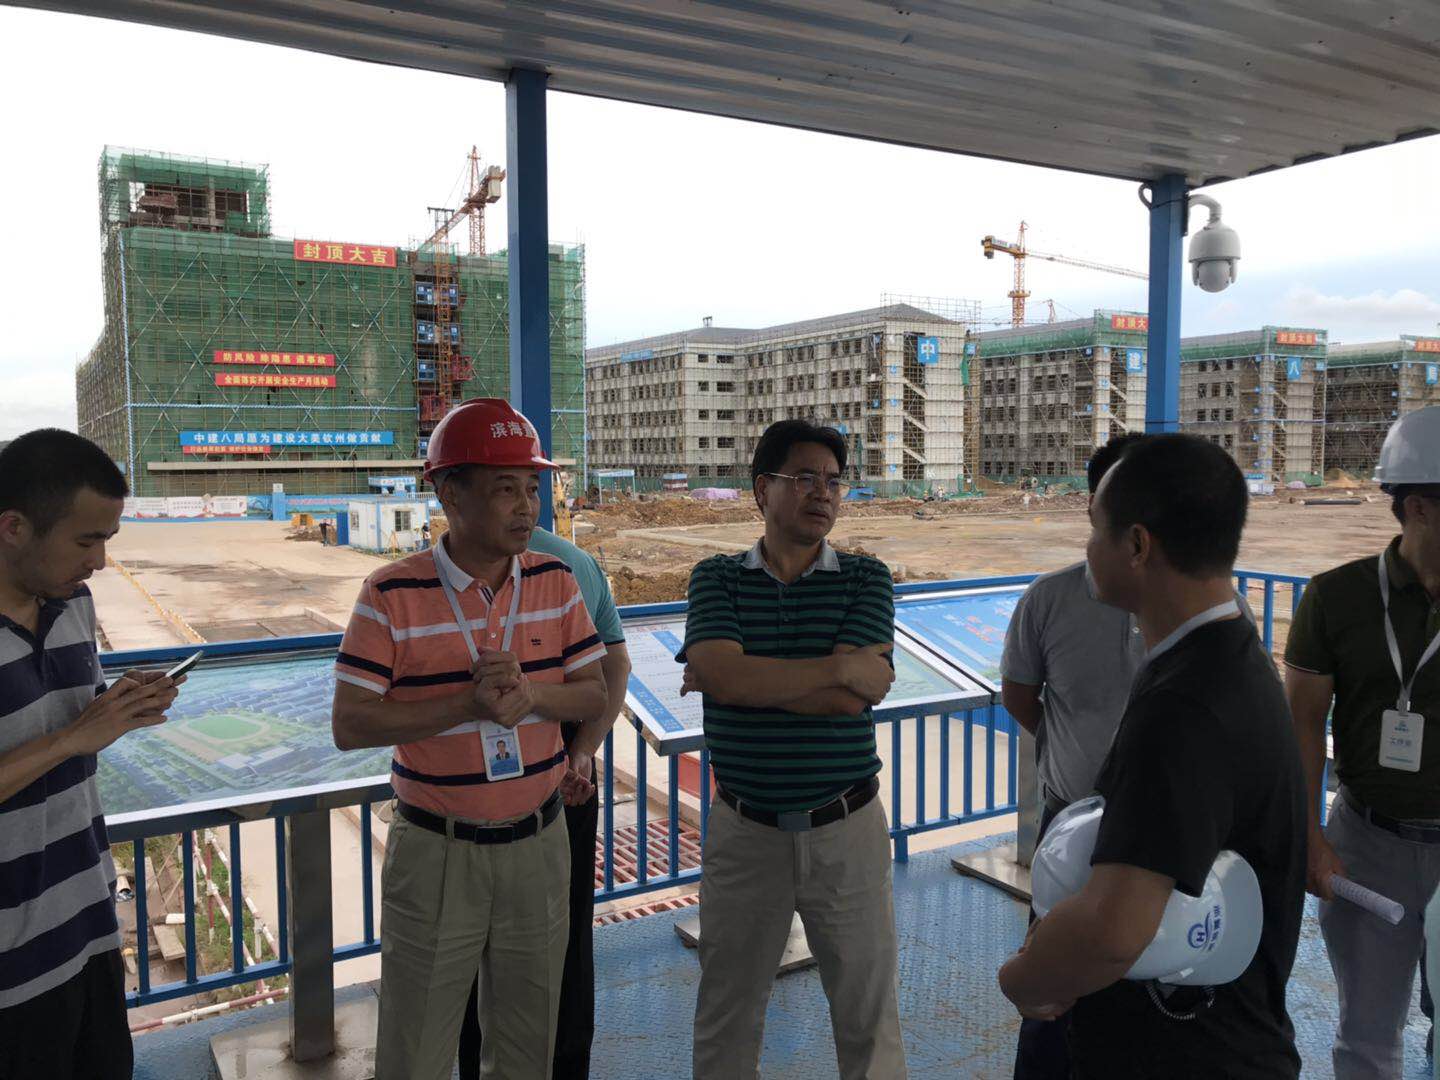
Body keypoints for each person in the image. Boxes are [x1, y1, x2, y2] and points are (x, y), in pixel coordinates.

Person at [998, 433, 1306, 1080]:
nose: (1088, 549)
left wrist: (1022, 976)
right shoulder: (1231, 655)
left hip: (1185, 1053)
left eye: (1096, 530)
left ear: (1137, 546)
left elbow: (1113, 932)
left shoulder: (1183, 705)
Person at [332, 399, 608, 1080]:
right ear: (450, 494)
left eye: (533, 488)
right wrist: (465, 703)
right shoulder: (390, 593)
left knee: (526, 1049)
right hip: (438, 853)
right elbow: (351, 723)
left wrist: (532, 697)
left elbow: (594, 692)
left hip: (539, 844)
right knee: (417, 1051)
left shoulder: (555, 581)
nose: (527, 507)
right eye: (506, 488)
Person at [679, 419, 905, 1080]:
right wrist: (837, 669)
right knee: (727, 1010)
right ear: (762, 490)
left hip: (847, 829)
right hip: (745, 833)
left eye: (834, 481)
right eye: (805, 477)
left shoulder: (866, 577)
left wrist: (742, 681)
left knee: (867, 1012)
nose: (823, 493)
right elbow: (728, 676)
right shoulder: (716, 578)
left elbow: (851, 700)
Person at [0, 429, 181, 1080]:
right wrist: (73, 738)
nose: (101, 562)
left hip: (90, 924)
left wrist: (119, 707)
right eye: (85, 542)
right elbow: (66, 738)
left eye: (107, 540)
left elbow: (71, 720)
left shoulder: (73, 604)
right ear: (13, 527)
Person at [1285, 404, 1440, 1079]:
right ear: (1418, 507)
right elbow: (1300, 723)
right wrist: (1310, 837)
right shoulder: (1335, 598)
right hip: (1369, 845)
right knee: (1369, 1035)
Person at [459, 524, 632, 1080]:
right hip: (564, 768)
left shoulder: (442, 575)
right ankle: (565, 1063)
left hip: (485, 787)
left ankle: (477, 1060)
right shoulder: (574, 563)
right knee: (565, 935)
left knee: (471, 944)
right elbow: (616, 665)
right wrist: (582, 752)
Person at [1001, 432, 1144, 1078]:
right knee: (1051, 995)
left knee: (1153, 985)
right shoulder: (1049, 599)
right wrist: (1072, 750)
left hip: (1164, 831)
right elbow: (1020, 695)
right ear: (1094, 505)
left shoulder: (1200, 609)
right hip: (1070, 820)